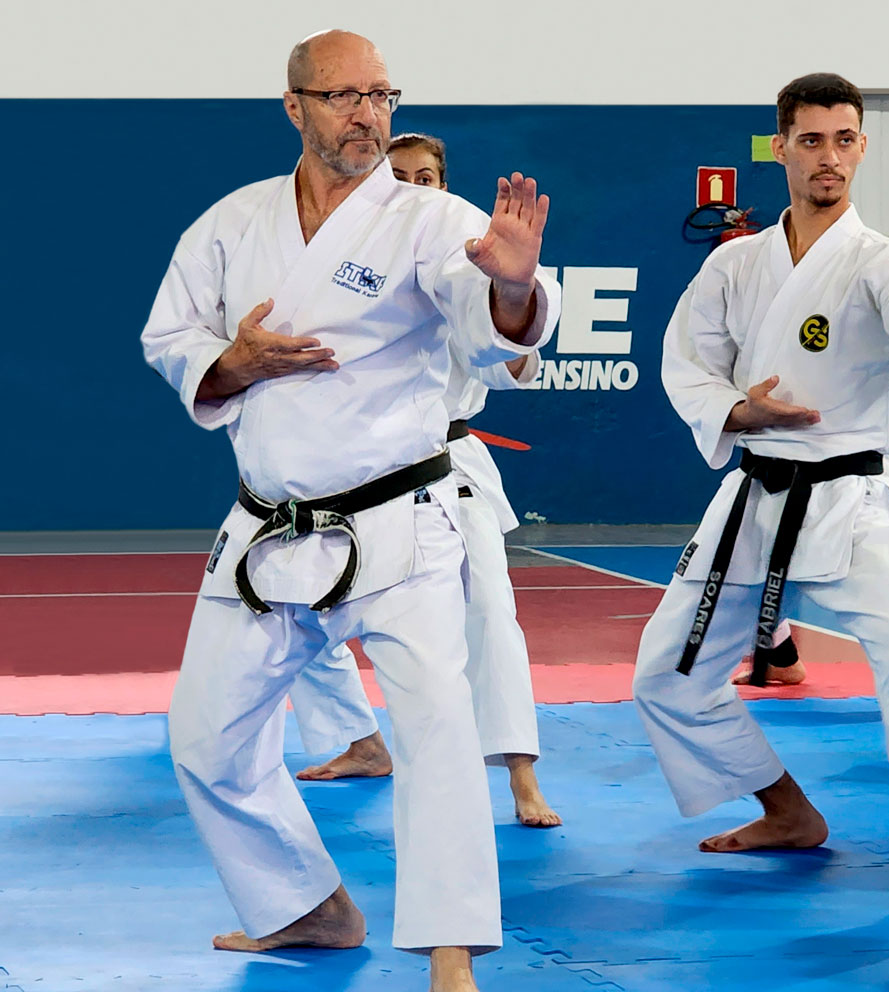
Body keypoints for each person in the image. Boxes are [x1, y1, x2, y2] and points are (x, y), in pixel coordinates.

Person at [141, 29, 559, 992]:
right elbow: (172, 335)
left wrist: (510, 286)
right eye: (343, 97)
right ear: (295, 107)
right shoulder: (231, 225)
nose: (368, 114)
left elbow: (493, 329)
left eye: (381, 95)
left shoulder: (427, 217)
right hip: (267, 525)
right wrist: (230, 362)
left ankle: (451, 957)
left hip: (397, 524)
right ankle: (304, 906)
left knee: (439, 736)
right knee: (205, 739)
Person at [632, 72, 889, 928]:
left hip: (852, 502)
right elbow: (686, 359)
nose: (828, 156)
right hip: (754, 496)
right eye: (810, 140)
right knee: (666, 675)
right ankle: (787, 809)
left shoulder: (884, 263)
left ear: (861, 147)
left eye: (843, 139)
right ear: (782, 148)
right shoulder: (737, 261)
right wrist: (736, 410)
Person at [289, 132, 561, 829]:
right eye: (399, 175)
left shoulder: (471, 265)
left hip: (449, 467)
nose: (413, 185)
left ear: (444, 186)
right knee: (294, 605)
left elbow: (512, 364)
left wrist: (514, 286)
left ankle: (522, 777)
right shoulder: (346, 265)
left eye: (426, 176)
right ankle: (358, 739)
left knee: (490, 616)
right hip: (351, 469)